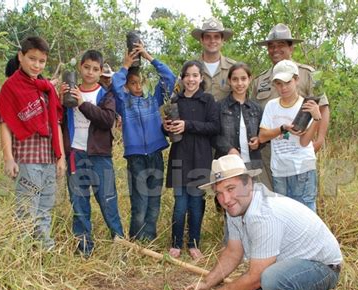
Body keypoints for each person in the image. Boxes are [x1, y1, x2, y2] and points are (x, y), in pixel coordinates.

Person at [186, 154, 343, 290]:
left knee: (271, 279)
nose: (226, 199)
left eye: (230, 188)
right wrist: (206, 284)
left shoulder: (264, 214)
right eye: (219, 193)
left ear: (249, 183)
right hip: (289, 268)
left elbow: (256, 277)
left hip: (323, 269)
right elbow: (233, 252)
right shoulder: (235, 209)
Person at [0, 36, 66, 251]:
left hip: (48, 158)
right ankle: (22, 255)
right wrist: (9, 158)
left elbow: (55, 124)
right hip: (26, 159)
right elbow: (5, 125)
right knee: (26, 209)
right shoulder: (11, 87)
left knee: (44, 208)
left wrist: (61, 157)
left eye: (42, 61)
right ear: (21, 57)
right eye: (32, 59)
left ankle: (44, 252)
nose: (36, 65)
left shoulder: (46, 88)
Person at [61, 50, 124, 257]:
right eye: (87, 67)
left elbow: (107, 120)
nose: (90, 72)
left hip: (99, 155)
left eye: (95, 69)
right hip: (75, 154)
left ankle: (120, 244)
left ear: (100, 72)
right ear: (80, 67)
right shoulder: (69, 91)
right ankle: (84, 248)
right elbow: (58, 120)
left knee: (108, 201)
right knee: (79, 202)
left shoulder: (106, 95)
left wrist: (82, 104)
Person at [252, 23, 330, 188]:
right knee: (272, 197)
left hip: (298, 149)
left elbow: (323, 107)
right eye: (271, 46)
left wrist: (320, 140)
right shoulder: (260, 80)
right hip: (269, 151)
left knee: (301, 199)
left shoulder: (309, 74)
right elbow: (253, 113)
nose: (275, 50)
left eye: (281, 45)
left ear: (291, 47)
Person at [112, 42, 176, 241]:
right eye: (133, 83)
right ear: (127, 86)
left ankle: (150, 240)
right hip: (136, 158)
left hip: (156, 154)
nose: (138, 87)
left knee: (154, 201)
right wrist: (125, 65)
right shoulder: (124, 102)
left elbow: (169, 78)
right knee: (140, 202)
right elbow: (115, 84)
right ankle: (137, 239)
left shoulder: (153, 99)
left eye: (141, 82)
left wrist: (148, 56)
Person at [163, 61, 220, 260]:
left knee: (196, 202)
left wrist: (188, 125)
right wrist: (166, 127)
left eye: (195, 75)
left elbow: (214, 127)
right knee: (180, 203)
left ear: (201, 78)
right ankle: (176, 243)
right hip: (180, 156)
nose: (191, 79)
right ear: (182, 78)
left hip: (200, 157)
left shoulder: (208, 100)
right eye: (187, 75)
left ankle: (194, 244)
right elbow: (166, 129)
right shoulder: (175, 101)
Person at [259, 60, 321, 211]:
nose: (283, 87)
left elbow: (305, 142)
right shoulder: (271, 106)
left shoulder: (307, 106)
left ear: (296, 80)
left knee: (306, 213)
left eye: (288, 82)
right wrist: (283, 129)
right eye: (279, 83)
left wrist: (317, 118)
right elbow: (262, 137)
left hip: (303, 169)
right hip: (280, 170)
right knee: (283, 214)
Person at [213, 62, 270, 188]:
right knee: (230, 201)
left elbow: (264, 136)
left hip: (252, 164)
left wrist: (259, 142)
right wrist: (229, 149)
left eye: (243, 79)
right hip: (228, 164)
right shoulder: (219, 107)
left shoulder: (256, 108)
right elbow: (213, 135)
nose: (239, 83)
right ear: (229, 81)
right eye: (235, 79)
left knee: (252, 200)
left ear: (250, 79)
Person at [191, 17, 237, 101]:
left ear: (222, 40)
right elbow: (176, 97)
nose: (212, 41)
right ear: (201, 40)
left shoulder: (234, 68)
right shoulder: (190, 68)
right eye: (208, 37)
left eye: (216, 37)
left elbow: (243, 99)